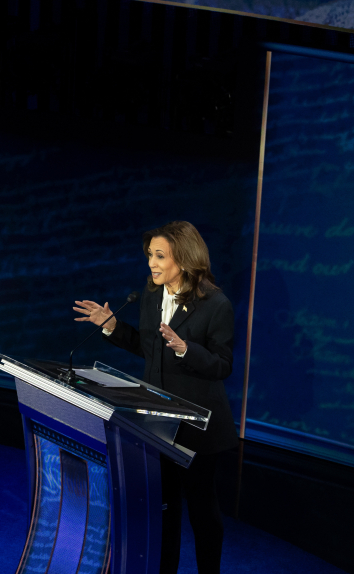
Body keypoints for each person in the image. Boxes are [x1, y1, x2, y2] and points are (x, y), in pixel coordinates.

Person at [72, 221, 237, 574]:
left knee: (202, 510)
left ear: (184, 258)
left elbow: (223, 365)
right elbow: (149, 349)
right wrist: (112, 327)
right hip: (156, 423)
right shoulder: (151, 295)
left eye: (160, 256)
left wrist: (185, 349)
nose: (151, 263)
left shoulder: (215, 304)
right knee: (164, 509)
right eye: (150, 255)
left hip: (197, 428)